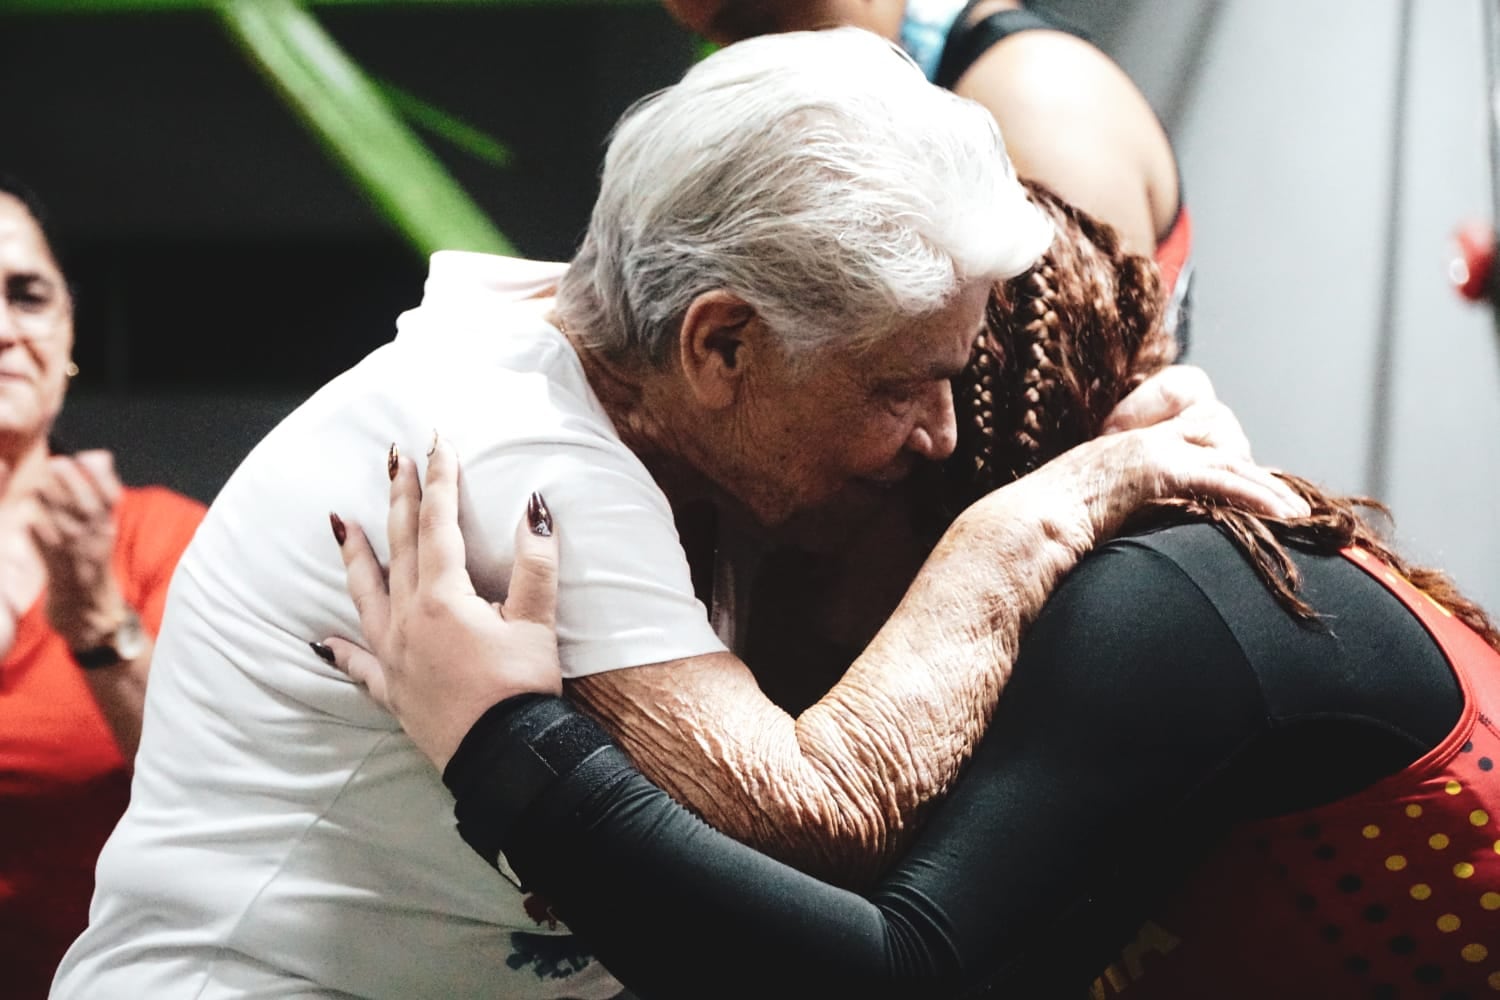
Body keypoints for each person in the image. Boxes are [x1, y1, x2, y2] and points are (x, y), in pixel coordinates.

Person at [51, 29, 1298, 1000]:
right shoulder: (509, 457)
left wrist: (1097, 420)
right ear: (722, 344)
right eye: (899, 384)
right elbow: (820, 819)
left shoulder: (639, 389)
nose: (942, 432)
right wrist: (1050, 507)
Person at [323, 182, 1500, 999]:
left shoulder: (1166, 600)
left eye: (792, 541)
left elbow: (896, 980)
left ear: (939, 475)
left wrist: (502, 743)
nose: (749, 603)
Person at [663, 0, 1195, 346]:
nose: (753, 61)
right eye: (723, 42)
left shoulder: (1037, 94)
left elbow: (1058, 413)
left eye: (761, 25)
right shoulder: (887, 95)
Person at [0, 174, 206, 999]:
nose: (4, 331)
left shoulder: (162, 540)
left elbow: (223, 785)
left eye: (27, 295)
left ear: (69, 335)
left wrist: (97, 622)